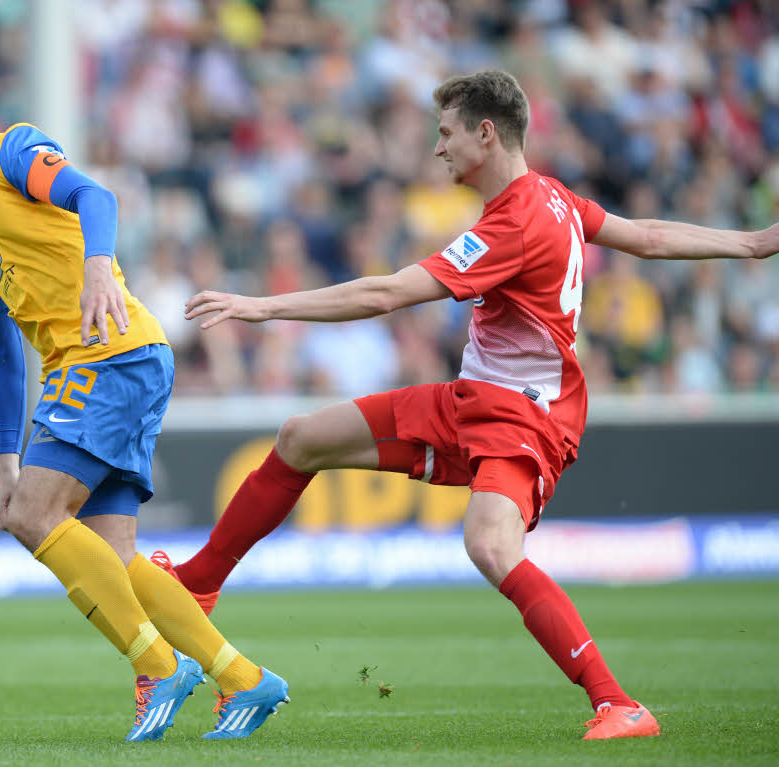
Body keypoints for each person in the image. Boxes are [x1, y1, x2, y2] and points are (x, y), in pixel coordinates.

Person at [157, 69, 779, 740]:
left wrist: (263, 305)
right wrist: (746, 243)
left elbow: (386, 295)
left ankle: (618, 703)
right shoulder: (554, 198)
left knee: (488, 543)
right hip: (471, 400)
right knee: (300, 437)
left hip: (523, 413)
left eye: (446, 133)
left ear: (486, 133)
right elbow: (649, 237)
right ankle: (200, 582)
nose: (437, 149)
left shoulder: (513, 221)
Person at [0, 57, 288, 742]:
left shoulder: (13, 150)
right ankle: (244, 679)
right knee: (113, 557)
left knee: (33, 515)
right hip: (111, 362)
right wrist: (6, 455)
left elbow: (96, 198)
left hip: (107, 353)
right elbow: (1, 344)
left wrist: (99, 269)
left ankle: (158, 667)